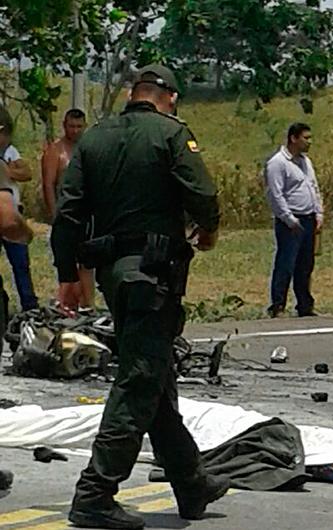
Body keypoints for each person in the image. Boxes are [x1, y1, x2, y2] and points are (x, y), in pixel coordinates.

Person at [51, 64, 228, 529]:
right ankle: (94, 493)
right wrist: (206, 229)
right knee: (137, 380)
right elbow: (203, 194)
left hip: (114, 275)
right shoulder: (171, 134)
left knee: (155, 377)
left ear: (134, 94)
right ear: (167, 97)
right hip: (155, 276)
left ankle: (191, 481)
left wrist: (68, 273)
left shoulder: (93, 138)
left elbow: (67, 211)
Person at [264, 122, 323, 318]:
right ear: (293, 138)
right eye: (306, 138)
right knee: (286, 263)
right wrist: (289, 219)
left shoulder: (306, 162)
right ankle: (278, 305)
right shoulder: (278, 163)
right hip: (290, 221)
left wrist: (319, 213)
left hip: (309, 218)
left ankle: (305, 305)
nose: (309, 142)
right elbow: (275, 194)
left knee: (305, 264)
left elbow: (313, 186)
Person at [42, 109, 93, 308]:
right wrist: (55, 215)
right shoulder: (56, 151)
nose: (75, 130)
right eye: (71, 126)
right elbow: (48, 184)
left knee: (87, 264)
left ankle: (88, 305)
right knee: (66, 268)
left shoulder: (88, 148)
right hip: (65, 216)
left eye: (79, 126)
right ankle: (66, 305)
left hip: (87, 217)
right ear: (65, 125)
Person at [0, 107, 38, 311]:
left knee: (21, 264)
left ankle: (29, 304)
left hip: (15, 209)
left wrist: (9, 171)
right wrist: (26, 231)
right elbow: (7, 219)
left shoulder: (10, 152)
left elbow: (26, 172)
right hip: (10, 216)